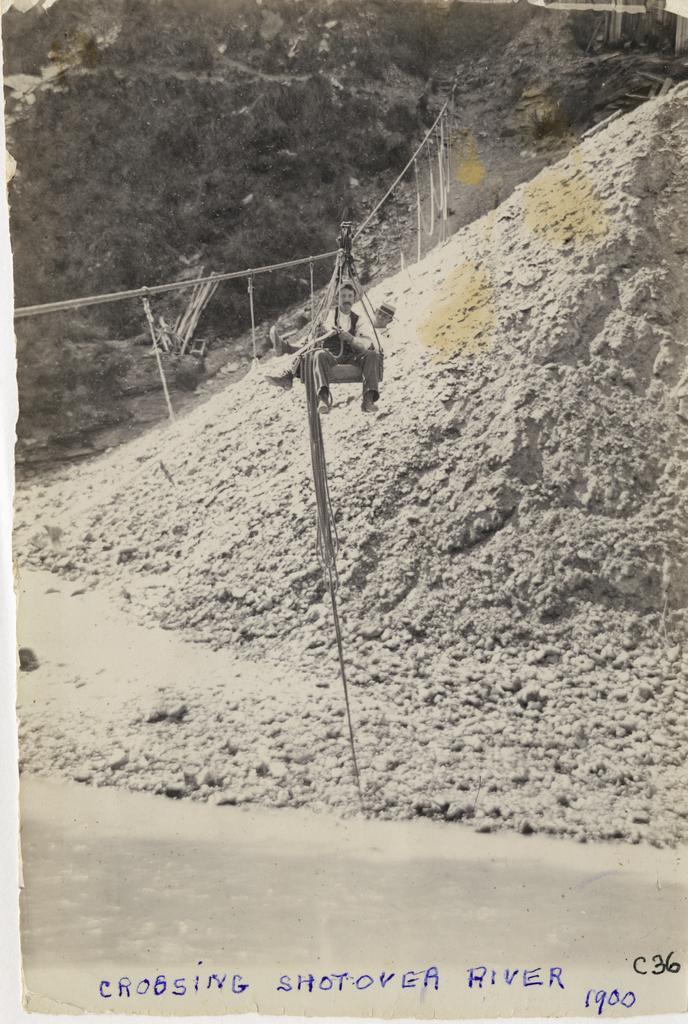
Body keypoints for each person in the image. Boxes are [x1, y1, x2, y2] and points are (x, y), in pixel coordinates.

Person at [265, 281, 383, 414]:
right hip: (331, 356)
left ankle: (368, 400)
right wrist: (330, 330)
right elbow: (323, 329)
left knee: (372, 355)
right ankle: (323, 398)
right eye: (343, 296)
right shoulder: (330, 315)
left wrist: (350, 338)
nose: (347, 300)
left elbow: (365, 344)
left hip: (351, 356)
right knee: (318, 353)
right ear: (338, 299)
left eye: (350, 296)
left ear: (354, 298)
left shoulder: (359, 319)